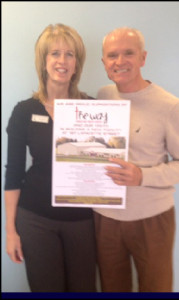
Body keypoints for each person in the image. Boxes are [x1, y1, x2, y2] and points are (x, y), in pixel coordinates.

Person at [94, 27, 179, 292]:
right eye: (112, 55)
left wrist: (143, 176)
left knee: (156, 288)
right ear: (104, 62)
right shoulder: (103, 96)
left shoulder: (169, 106)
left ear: (143, 57)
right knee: (111, 288)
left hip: (152, 218)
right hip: (105, 217)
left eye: (129, 53)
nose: (120, 61)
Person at [4, 23, 96, 292]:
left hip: (83, 222)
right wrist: (11, 231)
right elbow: (13, 174)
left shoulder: (93, 108)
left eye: (70, 54)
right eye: (55, 53)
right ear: (43, 60)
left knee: (84, 289)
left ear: (77, 64)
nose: (62, 61)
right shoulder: (24, 111)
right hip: (35, 220)